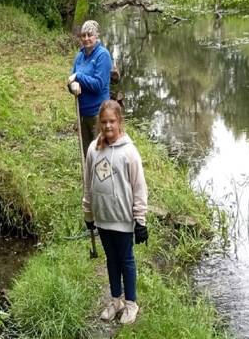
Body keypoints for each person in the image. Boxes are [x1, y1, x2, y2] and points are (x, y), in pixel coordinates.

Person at [82, 100, 149, 324]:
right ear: (99, 124)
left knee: (126, 261)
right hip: (103, 219)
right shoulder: (93, 149)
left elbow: (139, 187)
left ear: (120, 122)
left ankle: (131, 303)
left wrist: (140, 221)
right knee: (111, 261)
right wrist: (88, 214)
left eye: (112, 121)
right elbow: (88, 184)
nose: (108, 126)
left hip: (122, 219)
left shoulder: (129, 152)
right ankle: (116, 300)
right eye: (104, 122)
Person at [67, 20, 112, 156]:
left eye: (90, 35)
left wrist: (78, 77)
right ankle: (89, 177)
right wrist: (71, 86)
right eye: (83, 35)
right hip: (82, 113)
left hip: (97, 114)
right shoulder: (79, 56)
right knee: (88, 154)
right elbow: (71, 79)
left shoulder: (102, 55)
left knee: (101, 153)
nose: (86, 39)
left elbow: (98, 85)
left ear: (96, 36)